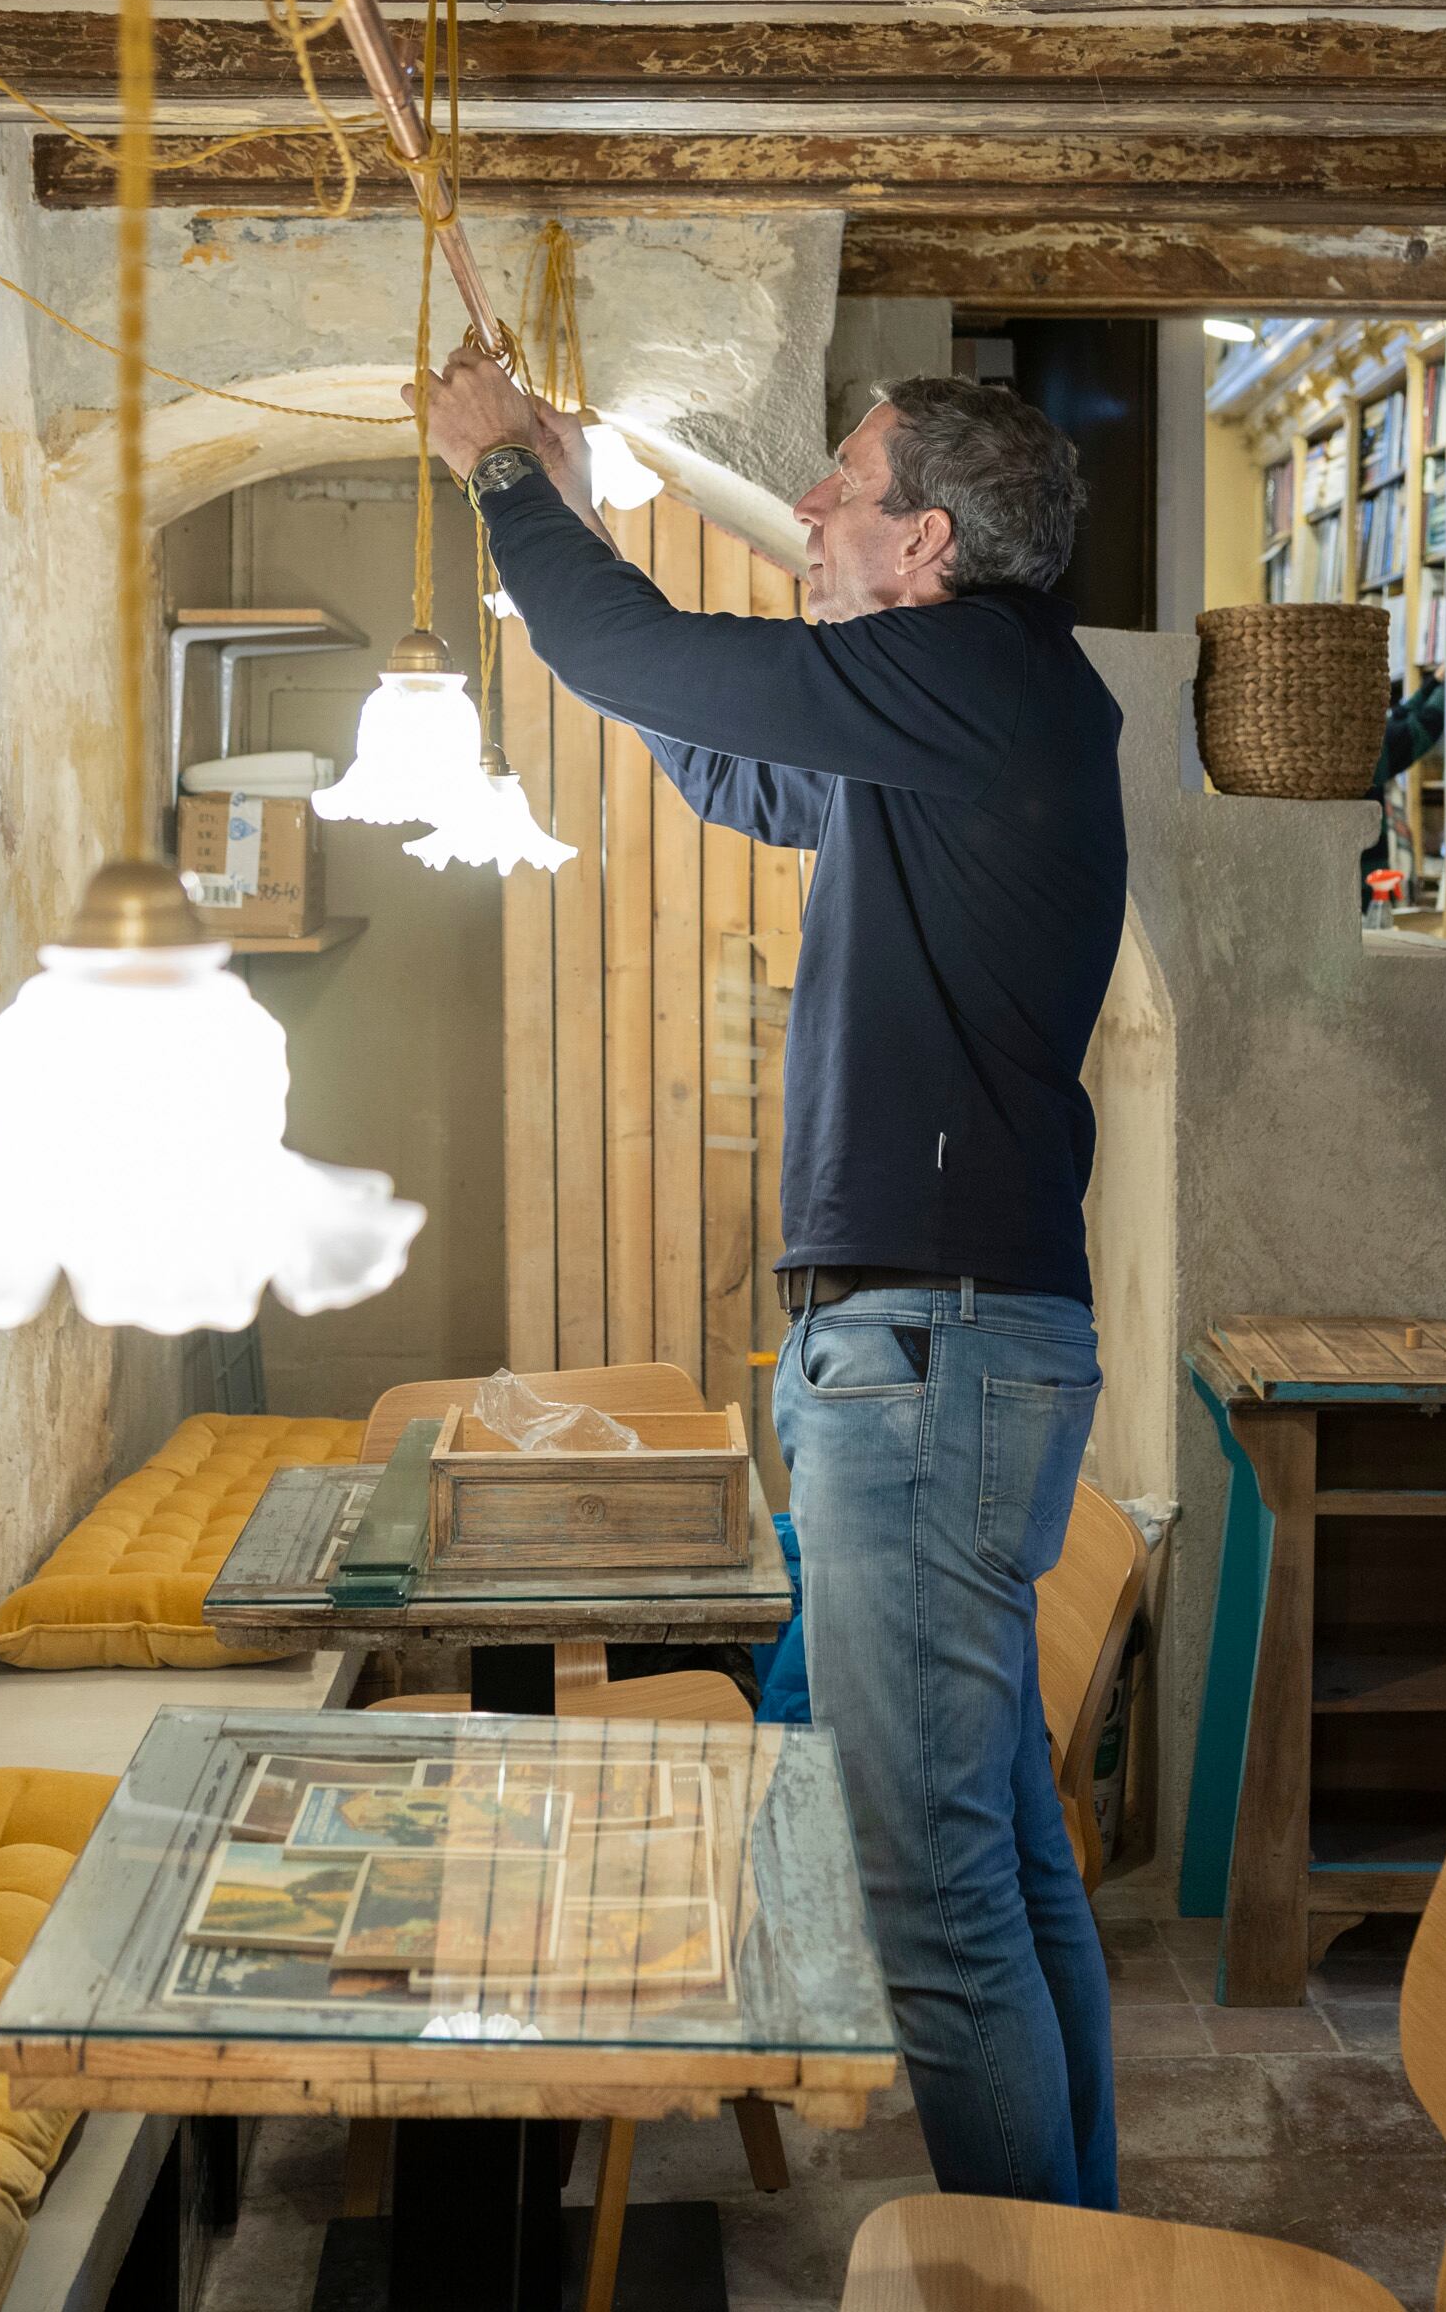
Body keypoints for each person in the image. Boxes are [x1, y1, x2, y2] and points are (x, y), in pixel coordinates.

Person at [419, 347, 1127, 2212]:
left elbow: (657, 660)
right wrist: (558, 537)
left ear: (926, 539)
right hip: (945, 1344)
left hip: (934, 1349)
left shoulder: (974, 674)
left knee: (930, 1894)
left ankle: (1019, 2279)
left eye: (839, 483)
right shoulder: (965, 720)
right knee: (1004, 1865)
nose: (805, 509)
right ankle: (1072, 2253)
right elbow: (729, 756)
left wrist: (506, 483)